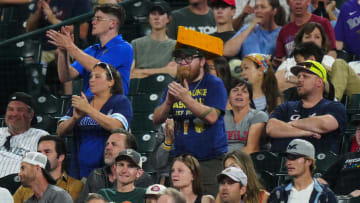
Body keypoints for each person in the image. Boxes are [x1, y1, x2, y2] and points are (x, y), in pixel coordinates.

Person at [153, 28, 228, 196]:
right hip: (181, 161)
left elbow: (212, 116)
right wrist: (168, 102)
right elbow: (156, 119)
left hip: (209, 161)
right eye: (179, 58)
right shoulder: (174, 85)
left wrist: (186, 99)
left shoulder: (213, 84)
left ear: (201, 61)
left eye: (188, 58)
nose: (183, 62)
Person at [57, 62, 133, 179]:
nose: (91, 80)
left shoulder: (120, 101)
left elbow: (117, 126)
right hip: (79, 171)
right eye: (91, 76)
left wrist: (88, 109)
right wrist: (75, 118)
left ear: (110, 82)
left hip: (109, 173)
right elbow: (60, 131)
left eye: (97, 77)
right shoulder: (83, 101)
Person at [47, 3, 133, 96]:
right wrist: (63, 51)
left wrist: (69, 46)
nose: (93, 22)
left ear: (112, 24)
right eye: (94, 18)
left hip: (111, 106)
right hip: (88, 104)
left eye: (98, 19)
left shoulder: (124, 47)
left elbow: (101, 69)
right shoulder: (91, 50)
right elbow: (65, 76)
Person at [267, 60, 347, 154]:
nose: (299, 80)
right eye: (298, 76)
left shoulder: (334, 107)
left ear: (319, 82)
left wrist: (288, 124)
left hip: (316, 164)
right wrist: (306, 132)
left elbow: (324, 125)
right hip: (280, 162)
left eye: (305, 76)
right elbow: (271, 128)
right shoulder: (286, 106)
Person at [26, 0, 90, 94]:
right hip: (42, 50)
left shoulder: (79, 2)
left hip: (71, 47)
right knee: (27, 60)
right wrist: (37, 13)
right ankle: (35, 100)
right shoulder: (42, 1)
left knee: (61, 53)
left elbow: (82, 32)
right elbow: (29, 29)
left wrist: (52, 18)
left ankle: (69, 100)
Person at [76, 129, 153, 203]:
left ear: (129, 150)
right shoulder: (95, 175)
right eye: (107, 144)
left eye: (114, 144)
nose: (107, 148)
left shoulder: (143, 179)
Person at [13, 135, 83, 203]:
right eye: (39, 152)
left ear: (61, 157)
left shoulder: (77, 186)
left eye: (47, 152)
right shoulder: (25, 188)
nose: (42, 156)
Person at [268, 139, 338, 203]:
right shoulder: (278, 193)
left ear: (308, 161)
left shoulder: (326, 195)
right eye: (288, 158)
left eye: (294, 158)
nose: (288, 163)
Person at [0, 92, 48, 178]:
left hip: (18, 186)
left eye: (20, 110)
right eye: (10, 109)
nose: (14, 114)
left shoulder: (41, 137)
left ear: (30, 115)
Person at [130, 0, 177, 79]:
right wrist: (165, 70)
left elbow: (173, 72)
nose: (156, 17)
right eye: (153, 14)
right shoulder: (136, 44)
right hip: (140, 88)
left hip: (165, 88)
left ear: (168, 19)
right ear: (148, 18)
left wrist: (141, 71)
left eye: (161, 14)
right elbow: (130, 74)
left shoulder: (176, 45)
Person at [225, 79, 268, 153]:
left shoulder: (258, 116)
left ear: (249, 99)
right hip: (221, 159)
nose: (239, 93)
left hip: (247, 160)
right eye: (235, 90)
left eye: (244, 91)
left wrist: (230, 161)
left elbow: (252, 148)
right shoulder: (222, 116)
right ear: (229, 98)